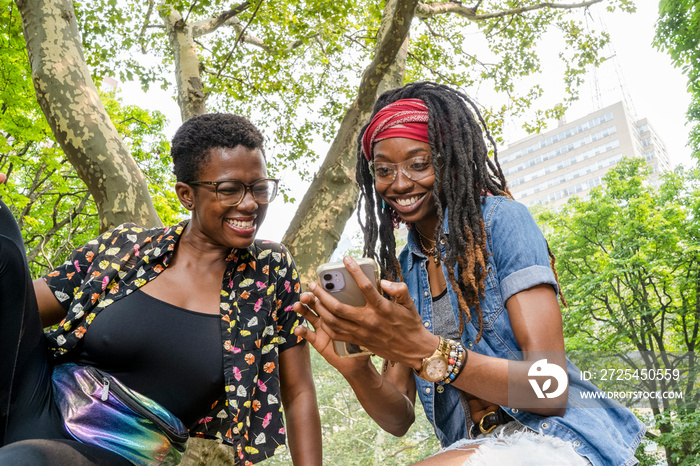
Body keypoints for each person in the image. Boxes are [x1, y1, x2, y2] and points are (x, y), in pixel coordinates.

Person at [293, 82, 645, 465]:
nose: (399, 183)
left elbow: (549, 389)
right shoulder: (401, 270)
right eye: (383, 170)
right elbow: (398, 419)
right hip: (474, 448)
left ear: (450, 160)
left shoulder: (502, 222)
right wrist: (356, 370)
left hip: (560, 440)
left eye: (418, 163)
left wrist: (425, 348)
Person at [0, 113, 322, 465]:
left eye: (259, 188)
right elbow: (17, 314)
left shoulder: (269, 271)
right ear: (187, 195)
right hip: (37, 397)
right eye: (230, 190)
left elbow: (299, 392)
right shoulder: (127, 246)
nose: (249, 204)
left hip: (123, 450)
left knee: (26, 460)